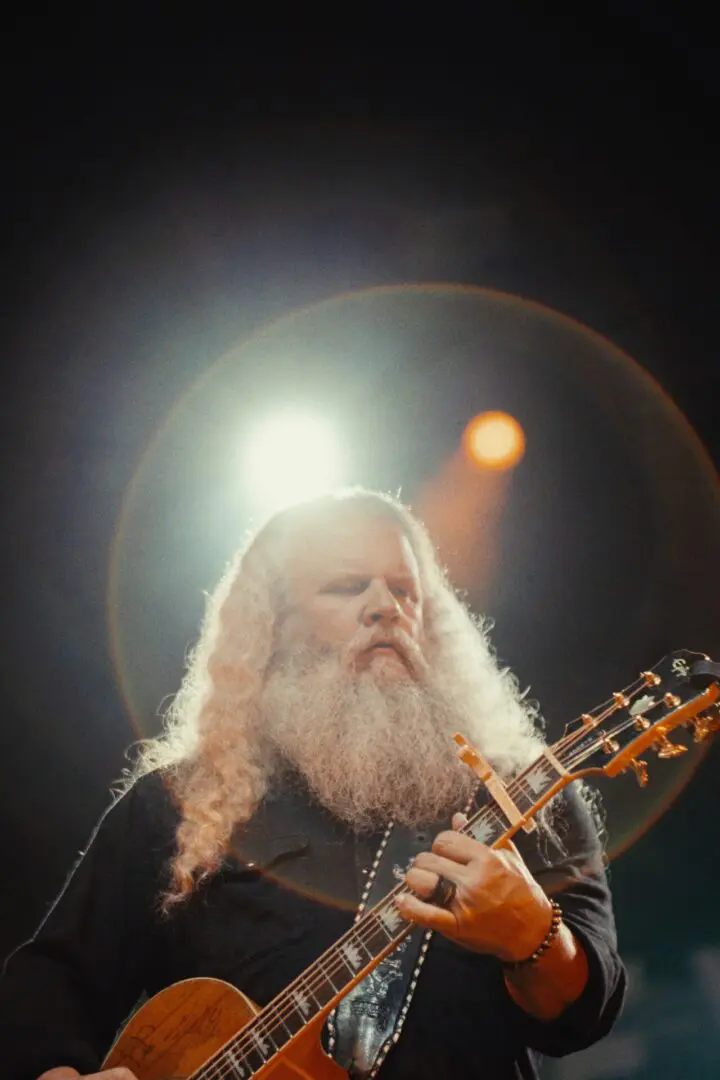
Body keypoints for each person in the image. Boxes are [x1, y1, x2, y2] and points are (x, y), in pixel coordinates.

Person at [0, 489, 626, 1080]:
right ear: (272, 629)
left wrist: (533, 935)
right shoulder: (177, 805)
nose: (386, 606)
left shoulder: (523, 794)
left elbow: (584, 1014)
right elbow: (50, 983)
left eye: (406, 590)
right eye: (347, 586)